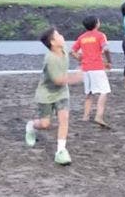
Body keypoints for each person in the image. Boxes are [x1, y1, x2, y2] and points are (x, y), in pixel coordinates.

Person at [25, 27, 83, 165]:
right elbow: (58, 81)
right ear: (52, 42)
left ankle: (61, 151)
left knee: (64, 119)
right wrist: (76, 77)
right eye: (58, 35)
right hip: (46, 94)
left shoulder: (63, 48)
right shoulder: (50, 59)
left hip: (62, 92)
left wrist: (83, 58)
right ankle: (31, 126)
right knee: (45, 124)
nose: (62, 36)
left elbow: (74, 53)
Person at [71, 16, 112, 128]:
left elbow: (72, 51)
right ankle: (99, 116)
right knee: (104, 91)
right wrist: (109, 61)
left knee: (89, 93)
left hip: (86, 68)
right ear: (96, 24)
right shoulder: (100, 35)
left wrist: (79, 58)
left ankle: (85, 116)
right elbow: (106, 49)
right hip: (97, 67)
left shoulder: (82, 37)